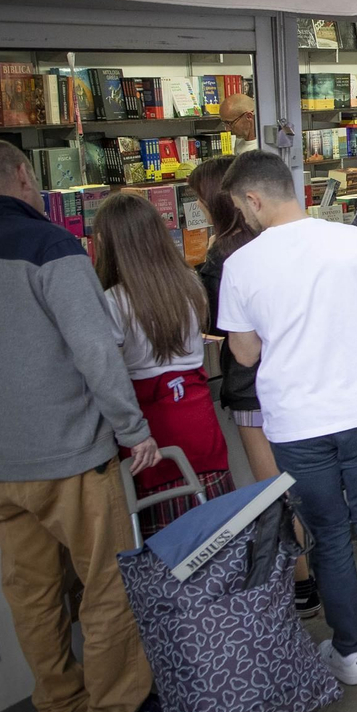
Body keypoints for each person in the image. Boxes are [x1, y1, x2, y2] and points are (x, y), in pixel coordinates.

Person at [217, 150, 357, 683]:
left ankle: (351, 654)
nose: (243, 219)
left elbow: (244, 355)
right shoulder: (352, 240)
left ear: (253, 198)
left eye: (241, 209)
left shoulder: (240, 265)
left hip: (295, 423)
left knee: (329, 534)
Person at [0, 139, 165, 712]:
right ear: (25, 180)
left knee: (31, 596)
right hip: (74, 454)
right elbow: (93, 351)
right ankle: (115, 711)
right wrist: (134, 430)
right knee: (107, 580)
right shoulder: (50, 247)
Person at [189, 157, 320, 618]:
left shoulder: (225, 257)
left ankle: (302, 586)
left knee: (276, 491)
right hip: (299, 380)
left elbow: (227, 333)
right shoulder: (282, 243)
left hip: (251, 389)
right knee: (306, 483)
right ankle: (317, 573)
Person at [94, 193, 235, 536]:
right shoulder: (189, 285)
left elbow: (106, 371)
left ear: (108, 243)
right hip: (199, 420)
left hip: (148, 433)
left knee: (166, 544)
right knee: (216, 533)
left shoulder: (111, 302)